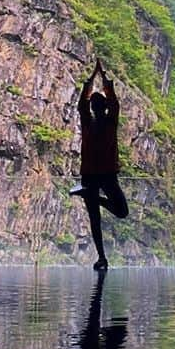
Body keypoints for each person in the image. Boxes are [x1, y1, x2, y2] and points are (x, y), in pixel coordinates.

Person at [73, 58, 128, 270]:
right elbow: (113, 102)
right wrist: (102, 77)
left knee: (96, 217)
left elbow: (82, 103)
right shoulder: (109, 121)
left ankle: (102, 257)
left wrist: (91, 79)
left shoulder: (88, 120)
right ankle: (102, 258)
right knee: (118, 211)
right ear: (103, 106)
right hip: (105, 174)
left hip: (92, 175)